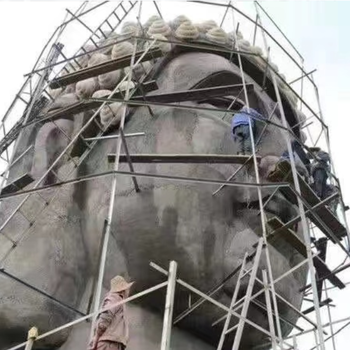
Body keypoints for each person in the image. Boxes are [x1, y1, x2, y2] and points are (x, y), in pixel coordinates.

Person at [89, 276, 134, 350]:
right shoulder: (114, 298)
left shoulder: (119, 300)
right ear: (123, 290)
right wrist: (96, 338)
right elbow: (105, 318)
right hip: (109, 344)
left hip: (113, 343)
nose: (128, 291)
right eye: (127, 289)